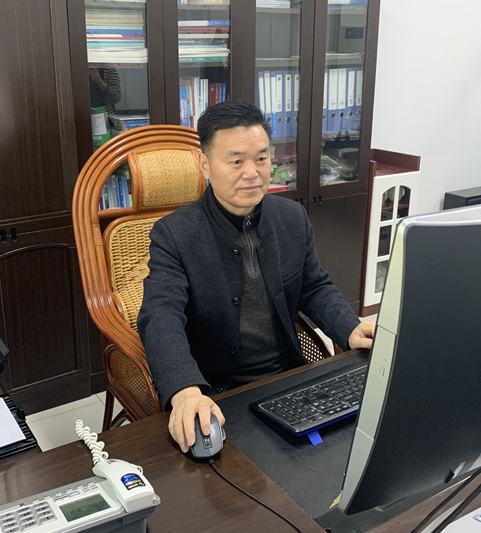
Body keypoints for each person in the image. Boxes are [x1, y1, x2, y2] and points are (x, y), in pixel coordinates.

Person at [137, 100, 375, 453]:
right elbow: (160, 316)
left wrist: (350, 328)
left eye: (262, 158)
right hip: (219, 393)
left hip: (290, 380)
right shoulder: (174, 234)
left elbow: (314, 287)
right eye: (236, 161)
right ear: (205, 164)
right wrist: (185, 390)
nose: (252, 173)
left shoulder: (291, 216)